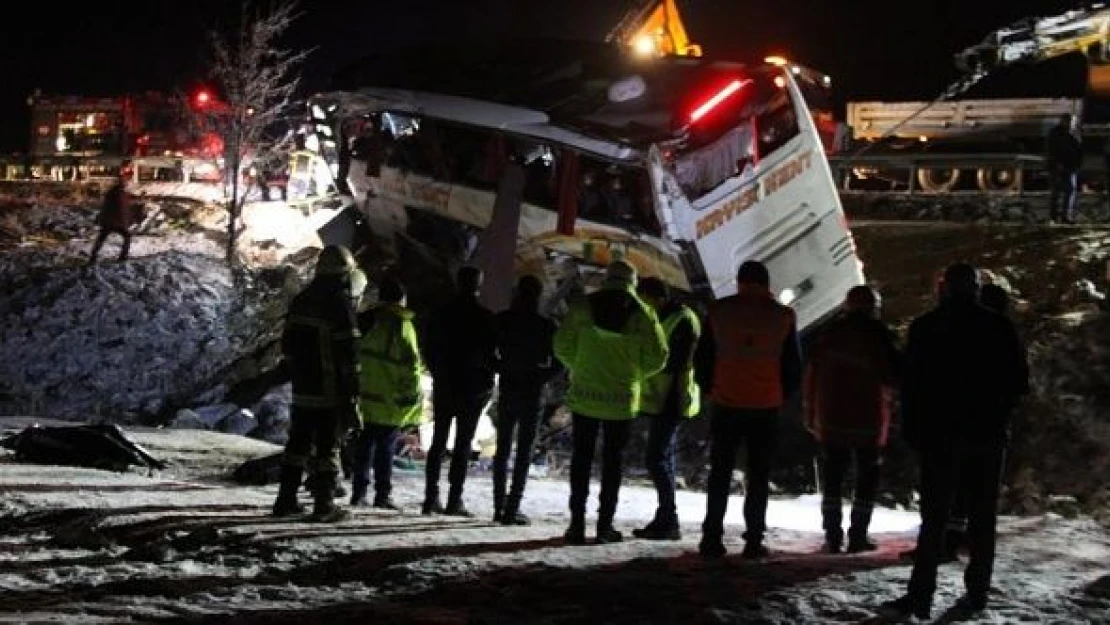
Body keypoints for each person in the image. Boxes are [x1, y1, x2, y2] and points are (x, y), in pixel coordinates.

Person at [883, 263, 1029, 619]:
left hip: (940, 436)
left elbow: (912, 385)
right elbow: (1018, 382)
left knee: (934, 518)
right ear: (976, 289)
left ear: (945, 287)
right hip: (987, 435)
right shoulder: (999, 326)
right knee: (982, 517)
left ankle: (920, 596)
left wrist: (914, 432)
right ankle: (977, 592)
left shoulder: (927, 327)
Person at [554, 259, 668, 544]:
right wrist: (634, 373)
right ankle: (605, 527)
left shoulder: (583, 306)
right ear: (633, 282)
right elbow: (658, 356)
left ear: (608, 278)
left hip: (585, 396)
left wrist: (579, 366)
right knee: (612, 464)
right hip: (621, 400)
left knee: (581, 459)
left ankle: (576, 525)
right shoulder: (644, 314)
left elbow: (561, 345)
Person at [695, 260, 802, 559]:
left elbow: (702, 358)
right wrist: (781, 394)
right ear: (767, 284)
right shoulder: (783, 316)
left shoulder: (719, 311)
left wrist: (710, 389)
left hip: (727, 402)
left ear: (739, 281)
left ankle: (711, 537)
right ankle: (754, 539)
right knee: (758, 474)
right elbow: (793, 364)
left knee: (720, 471)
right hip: (765, 405)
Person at [804, 285, 901, 554]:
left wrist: (811, 411)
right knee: (866, 478)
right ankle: (858, 535)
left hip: (832, 416)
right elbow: (892, 374)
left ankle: (832, 535)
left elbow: (812, 372)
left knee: (833, 477)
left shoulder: (829, 334)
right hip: (867, 418)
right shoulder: (879, 335)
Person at [272, 245, 363, 522]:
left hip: (303, 390)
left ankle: (285, 500)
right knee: (328, 446)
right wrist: (353, 392)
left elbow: (287, 345)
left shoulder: (302, 299)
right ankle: (324, 504)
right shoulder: (340, 304)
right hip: (330, 390)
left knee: (297, 446)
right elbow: (349, 354)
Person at [421, 265, 498, 516]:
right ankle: (455, 500)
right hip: (473, 388)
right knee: (463, 444)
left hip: (446, 383)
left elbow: (428, 348)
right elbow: (493, 354)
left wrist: (437, 372)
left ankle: (430, 498)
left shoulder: (441, 314)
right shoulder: (486, 318)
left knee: (439, 441)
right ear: (478, 285)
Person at [632, 277, 701, 541]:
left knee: (656, 458)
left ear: (656, 297)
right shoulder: (666, 316)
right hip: (663, 398)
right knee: (663, 458)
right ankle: (666, 519)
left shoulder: (681, 319)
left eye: (644, 298)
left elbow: (674, 364)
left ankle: (669, 519)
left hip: (671, 399)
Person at [350, 276, 424, 511]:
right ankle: (382, 495)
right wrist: (412, 399)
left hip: (364, 396)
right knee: (385, 449)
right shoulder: (402, 325)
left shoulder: (367, 319)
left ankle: (358, 493)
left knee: (363, 446)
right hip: (389, 399)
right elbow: (411, 366)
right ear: (402, 300)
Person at [491, 275, 560, 525]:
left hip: (509, 387)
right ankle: (513, 506)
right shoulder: (546, 325)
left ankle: (499, 505)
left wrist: (503, 368)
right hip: (533, 390)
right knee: (524, 451)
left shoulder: (503, 320)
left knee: (503, 447)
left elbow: (489, 353)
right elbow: (559, 362)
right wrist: (542, 376)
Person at [89, 177, 141, 264]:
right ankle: (123, 257)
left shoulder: (112, 193)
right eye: (125, 183)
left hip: (108, 221)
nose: (126, 185)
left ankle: (93, 256)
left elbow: (107, 207)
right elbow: (123, 209)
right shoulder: (120, 194)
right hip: (116, 222)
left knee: (101, 238)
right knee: (127, 237)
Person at [1046, 114, 1082, 224]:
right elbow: (1052, 149)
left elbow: (1078, 150)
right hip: (1058, 166)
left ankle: (1066, 215)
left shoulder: (1074, 134)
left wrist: (1077, 164)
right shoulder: (1056, 133)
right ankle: (1054, 216)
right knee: (1056, 192)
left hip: (1070, 166)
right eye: (1070, 121)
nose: (1071, 124)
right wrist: (1057, 163)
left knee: (1070, 191)